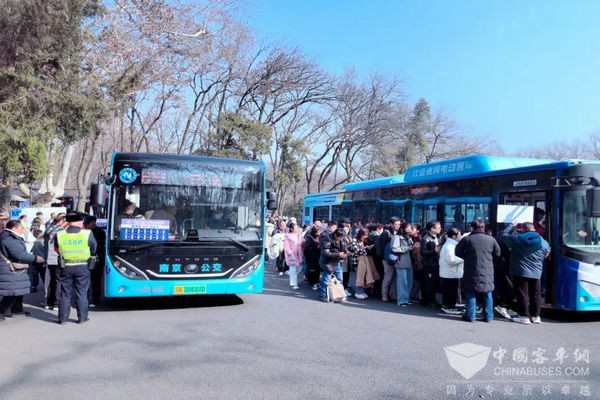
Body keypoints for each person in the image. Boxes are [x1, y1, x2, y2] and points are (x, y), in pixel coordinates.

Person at [499, 221, 551, 324]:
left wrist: (511, 225)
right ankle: (536, 316)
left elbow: (503, 235)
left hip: (520, 271)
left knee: (522, 294)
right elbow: (547, 252)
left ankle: (524, 316)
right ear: (533, 229)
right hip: (536, 272)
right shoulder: (542, 241)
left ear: (522, 229)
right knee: (535, 294)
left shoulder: (518, 239)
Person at [455, 220, 501, 323]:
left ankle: (471, 316)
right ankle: (488, 316)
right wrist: (488, 259)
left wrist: (467, 257)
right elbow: (498, 253)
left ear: (472, 228)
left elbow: (457, 252)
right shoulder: (491, 239)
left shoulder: (467, 239)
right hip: (487, 269)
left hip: (471, 269)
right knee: (487, 293)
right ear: (484, 227)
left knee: (470, 292)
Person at [56, 212, 97, 325]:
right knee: (82, 292)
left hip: (66, 266)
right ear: (79, 222)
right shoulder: (87, 233)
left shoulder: (60, 234)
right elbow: (94, 248)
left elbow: (57, 248)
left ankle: (63, 319)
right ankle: (82, 318)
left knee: (65, 293)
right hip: (83, 266)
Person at [0, 220, 44, 318]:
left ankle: (16, 309)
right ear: (14, 228)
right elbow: (19, 254)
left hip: (13, 268)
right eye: (21, 227)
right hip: (10, 269)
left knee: (18, 289)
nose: (23, 230)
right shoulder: (9, 238)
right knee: (11, 291)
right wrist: (36, 258)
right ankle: (2, 310)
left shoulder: (10, 236)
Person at [43, 214, 68, 310]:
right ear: (61, 221)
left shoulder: (48, 229)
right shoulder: (60, 231)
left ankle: (48, 302)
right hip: (56, 258)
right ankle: (56, 303)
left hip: (48, 258)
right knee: (58, 281)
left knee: (51, 281)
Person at [438, 228, 464, 315]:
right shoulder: (450, 246)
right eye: (459, 235)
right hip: (450, 273)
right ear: (454, 236)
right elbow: (451, 260)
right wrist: (463, 259)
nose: (460, 236)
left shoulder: (451, 244)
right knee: (450, 291)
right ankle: (448, 307)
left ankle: (449, 305)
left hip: (450, 272)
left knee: (451, 290)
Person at [349, 229, 379, 299]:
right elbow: (357, 251)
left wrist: (366, 249)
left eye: (366, 235)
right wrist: (365, 249)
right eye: (364, 235)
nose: (366, 236)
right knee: (359, 277)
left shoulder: (365, 241)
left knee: (364, 277)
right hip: (357, 261)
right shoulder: (354, 240)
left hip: (364, 261)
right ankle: (358, 292)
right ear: (360, 234)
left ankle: (362, 292)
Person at [319, 228, 348, 303]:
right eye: (340, 237)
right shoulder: (327, 239)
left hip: (337, 260)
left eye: (342, 237)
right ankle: (323, 295)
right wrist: (338, 254)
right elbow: (326, 253)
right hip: (327, 262)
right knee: (326, 279)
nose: (342, 238)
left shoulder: (342, 239)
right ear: (335, 235)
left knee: (340, 278)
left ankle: (337, 295)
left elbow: (344, 248)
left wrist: (346, 253)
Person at [85, 215, 106, 308]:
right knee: (87, 280)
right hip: (89, 258)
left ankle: (95, 299)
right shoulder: (85, 232)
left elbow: (99, 246)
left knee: (96, 280)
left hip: (96, 259)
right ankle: (86, 298)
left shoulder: (99, 232)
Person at [420, 220, 442, 307]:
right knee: (428, 283)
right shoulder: (425, 238)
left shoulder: (437, 237)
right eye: (438, 227)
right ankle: (427, 300)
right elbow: (423, 252)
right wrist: (434, 251)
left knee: (433, 283)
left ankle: (432, 299)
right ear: (432, 228)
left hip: (436, 264)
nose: (440, 228)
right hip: (429, 265)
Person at [380, 217, 401, 302]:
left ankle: (393, 294)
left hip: (396, 257)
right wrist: (385, 258)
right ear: (391, 224)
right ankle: (384, 294)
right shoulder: (386, 233)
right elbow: (381, 247)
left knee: (395, 277)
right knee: (388, 277)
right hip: (387, 259)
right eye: (395, 224)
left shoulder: (399, 232)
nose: (397, 226)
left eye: (399, 224)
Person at [394, 221, 415, 306]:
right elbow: (394, 248)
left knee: (409, 281)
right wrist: (407, 248)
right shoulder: (397, 237)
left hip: (409, 261)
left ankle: (407, 298)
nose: (410, 229)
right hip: (401, 261)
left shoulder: (408, 237)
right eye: (408, 227)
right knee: (402, 282)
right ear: (403, 229)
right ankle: (402, 300)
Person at [283, 221, 304, 289]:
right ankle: (293, 284)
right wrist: (290, 253)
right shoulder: (288, 236)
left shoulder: (299, 235)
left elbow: (303, 242)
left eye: (297, 228)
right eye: (295, 228)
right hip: (292, 255)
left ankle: (293, 279)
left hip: (299, 254)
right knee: (293, 270)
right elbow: (286, 247)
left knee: (299, 268)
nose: (297, 229)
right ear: (291, 229)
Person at [303, 225, 322, 290]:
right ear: (314, 232)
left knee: (318, 270)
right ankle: (314, 283)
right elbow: (307, 248)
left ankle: (317, 282)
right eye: (318, 232)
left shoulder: (320, 237)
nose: (319, 233)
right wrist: (316, 247)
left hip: (318, 256)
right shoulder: (309, 238)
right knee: (313, 270)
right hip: (311, 257)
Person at [28, 229, 46, 293]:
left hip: (35, 260)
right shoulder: (43, 242)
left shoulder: (34, 242)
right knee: (44, 274)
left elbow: (30, 251)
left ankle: (34, 287)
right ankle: (46, 287)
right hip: (43, 260)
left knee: (34, 275)